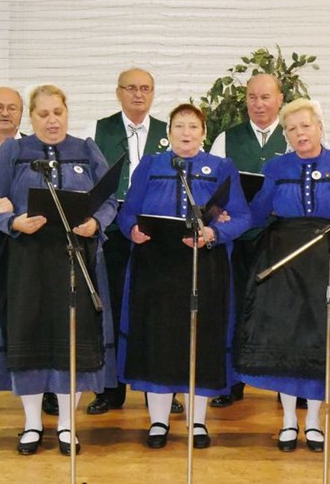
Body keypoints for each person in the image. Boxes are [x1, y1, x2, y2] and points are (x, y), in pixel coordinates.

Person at [233, 98, 330, 452]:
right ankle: (288, 421)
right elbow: (257, 212)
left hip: (329, 260)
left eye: (305, 126)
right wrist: (225, 221)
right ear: (285, 134)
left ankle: (313, 421)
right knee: (286, 341)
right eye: (291, 128)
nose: (300, 133)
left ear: (319, 127)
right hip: (284, 261)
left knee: (319, 341)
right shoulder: (276, 167)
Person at [0, 84, 117, 456]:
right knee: (31, 339)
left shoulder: (86, 149)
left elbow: (108, 200)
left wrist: (96, 223)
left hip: (76, 260)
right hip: (28, 261)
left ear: (67, 112)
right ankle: (31, 425)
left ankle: (68, 425)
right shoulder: (13, 151)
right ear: (32, 117)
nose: (52, 120)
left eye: (58, 112)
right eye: (43, 114)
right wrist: (13, 222)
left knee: (73, 340)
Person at [116, 103, 251, 449]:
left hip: (203, 264)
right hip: (155, 265)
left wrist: (215, 233)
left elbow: (242, 217)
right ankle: (158, 422)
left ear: (204, 132)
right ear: (169, 132)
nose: (186, 133)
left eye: (193, 126)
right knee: (158, 341)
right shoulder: (151, 165)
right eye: (179, 126)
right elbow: (127, 212)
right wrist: (132, 230)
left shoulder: (221, 167)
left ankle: (197, 422)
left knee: (200, 340)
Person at [81, 67, 183, 416]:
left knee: (159, 309)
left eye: (145, 88)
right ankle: (110, 390)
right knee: (111, 308)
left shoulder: (170, 132)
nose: (138, 94)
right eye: (131, 88)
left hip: (159, 230)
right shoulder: (96, 130)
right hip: (112, 229)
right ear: (118, 92)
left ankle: (163, 389)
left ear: (153, 93)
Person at [0, 87, 60, 418]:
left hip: (27, 252)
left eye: (13, 108)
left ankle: (46, 390)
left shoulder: (35, 149)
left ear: (23, 113)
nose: (5, 113)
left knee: (35, 320)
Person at [207, 73, 289, 409]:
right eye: (252, 97)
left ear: (280, 99)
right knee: (235, 308)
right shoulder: (226, 139)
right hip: (238, 240)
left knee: (284, 310)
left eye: (266, 97)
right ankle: (232, 381)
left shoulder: (293, 135)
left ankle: (288, 385)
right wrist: (217, 212)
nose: (259, 104)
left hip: (280, 237)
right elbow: (211, 187)